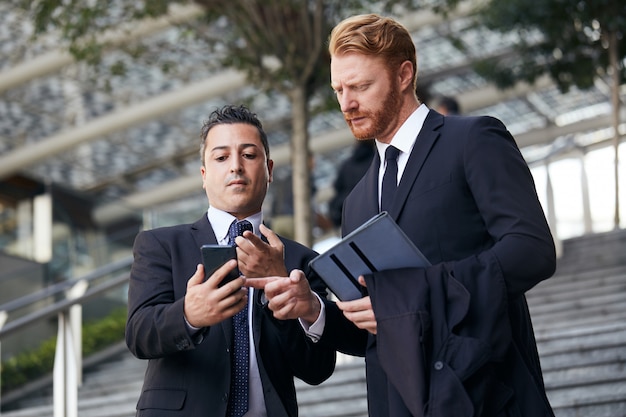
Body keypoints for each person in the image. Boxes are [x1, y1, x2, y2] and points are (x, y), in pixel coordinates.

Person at [249, 13, 557, 417]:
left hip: (488, 396)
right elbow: (370, 332)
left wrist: (412, 298)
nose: (347, 103)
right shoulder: (356, 200)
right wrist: (313, 308)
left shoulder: (474, 140)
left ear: (404, 74)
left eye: (360, 86)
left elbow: (532, 251)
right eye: (338, 89)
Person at [125, 104, 335, 416]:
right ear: (204, 175)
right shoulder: (160, 245)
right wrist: (188, 314)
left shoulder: (302, 262)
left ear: (270, 169)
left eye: (249, 155)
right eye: (221, 157)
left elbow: (317, 369)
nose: (235, 166)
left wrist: (286, 297)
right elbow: (139, 335)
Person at [327, 139, 376, 228]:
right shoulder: (376, 161)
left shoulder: (347, 164)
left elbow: (337, 186)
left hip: (349, 210)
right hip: (370, 211)